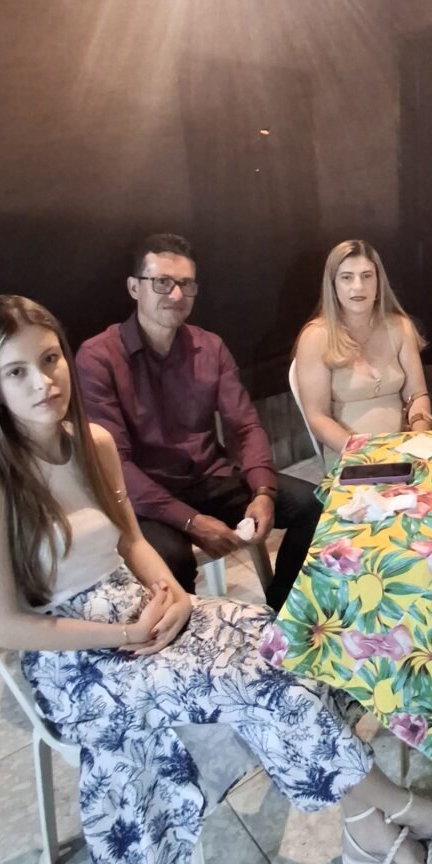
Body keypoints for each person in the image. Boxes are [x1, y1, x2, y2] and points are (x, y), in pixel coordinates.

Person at [0, 295, 432, 864]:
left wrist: (174, 594)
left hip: (138, 608)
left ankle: (365, 831)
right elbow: (4, 625)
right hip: (74, 660)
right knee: (259, 686)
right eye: (17, 372)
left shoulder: (92, 443)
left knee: (283, 641)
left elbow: (131, 540)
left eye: (49, 359)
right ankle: (401, 808)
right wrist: (126, 632)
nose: (43, 382)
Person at [76, 233, 317, 609]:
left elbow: (245, 426)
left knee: (314, 505)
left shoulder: (210, 347)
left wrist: (263, 492)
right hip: (147, 497)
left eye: (186, 284)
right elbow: (116, 466)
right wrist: (190, 521)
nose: (176, 295)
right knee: (172, 559)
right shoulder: (98, 358)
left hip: (208, 478)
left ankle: (281, 608)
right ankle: (190, 633)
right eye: (162, 282)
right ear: (134, 288)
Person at [295, 240, 432, 464]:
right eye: (347, 277)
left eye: (367, 276)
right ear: (333, 285)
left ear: (379, 282)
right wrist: (365, 455)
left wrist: (419, 437)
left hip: (404, 450)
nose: (358, 286)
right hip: (350, 455)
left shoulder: (400, 327)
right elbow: (317, 417)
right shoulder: (315, 337)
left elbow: (417, 394)